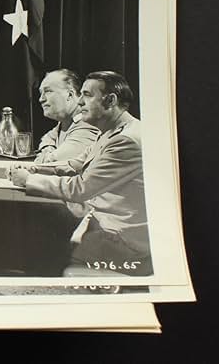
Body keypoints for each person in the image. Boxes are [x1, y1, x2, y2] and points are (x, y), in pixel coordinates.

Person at [9, 71, 149, 275]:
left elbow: (80, 188)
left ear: (110, 100)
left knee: (44, 250)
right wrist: (35, 168)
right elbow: (76, 162)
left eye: (87, 95)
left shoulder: (125, 140)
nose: (80, 102)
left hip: (123, 238)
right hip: (103, 224)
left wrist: (29, 179)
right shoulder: (113, 130)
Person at [34, 68, 99, 163]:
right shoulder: (64, 123)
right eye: (41, 93)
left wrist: (43, 156)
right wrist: (48, 148)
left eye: (48, 91)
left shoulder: (88, 124)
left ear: (69, 95)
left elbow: (52, 164)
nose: (41, 99)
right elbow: (47, 138)